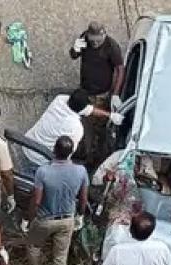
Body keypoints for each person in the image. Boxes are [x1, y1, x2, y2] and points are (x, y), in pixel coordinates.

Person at [21, 136, 89, 265]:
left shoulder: (43, 171)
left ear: (54, 150)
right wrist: (80, 216)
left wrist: (28, 218)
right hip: (66, 220)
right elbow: (83, 198)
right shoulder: (81, 171)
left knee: (33, 247)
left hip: (45, 219)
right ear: (71, 152)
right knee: (60, 256)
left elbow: (36, 200)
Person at [70, 21, 125, 167]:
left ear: (104, 35)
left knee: (98, 127)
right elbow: (74, 55)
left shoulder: (111, 46)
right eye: (92, 40)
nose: (94, 44)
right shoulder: (84, 38)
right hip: (85, 90)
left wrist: (115, 94)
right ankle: (84, 148)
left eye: (98, 41)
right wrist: (74, 49)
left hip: (101, 93)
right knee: (83, 121)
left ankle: (96, 157)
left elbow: (120, 69)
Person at [24, 89, 122, 167]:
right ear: (82, 110)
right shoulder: (75, 127)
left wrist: (110, 115)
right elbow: (66, 155)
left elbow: (89, 110)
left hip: (27, 142)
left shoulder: (60, 99)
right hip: (41, 159)